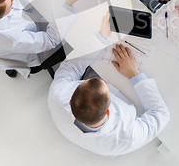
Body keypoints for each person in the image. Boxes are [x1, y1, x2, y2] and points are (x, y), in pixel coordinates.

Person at [48, 13, 170, 156]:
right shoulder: (126, 138)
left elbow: (72, 66)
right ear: (108, 111)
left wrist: (101, 38)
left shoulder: (57, 94)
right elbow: (161, 114)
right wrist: (134, 75)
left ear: (70, 101)